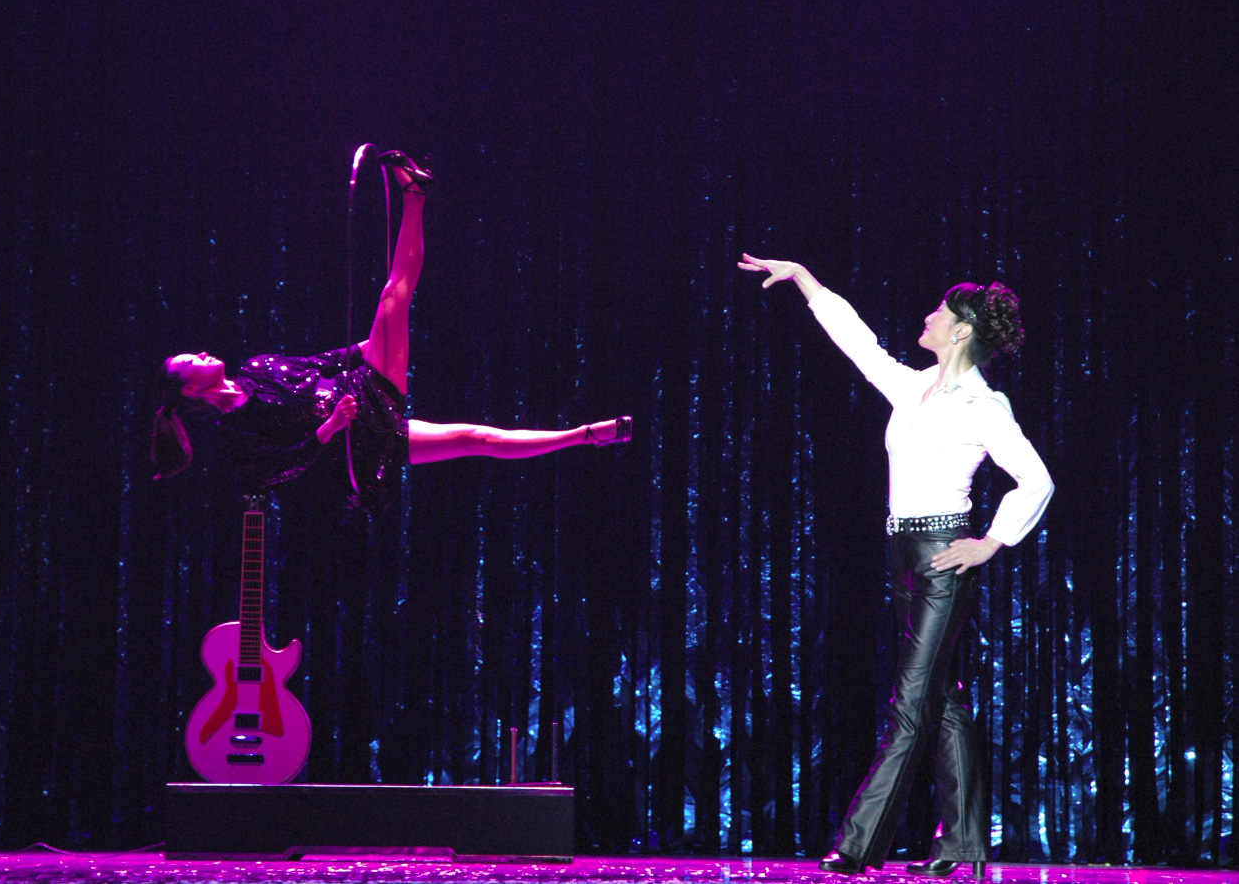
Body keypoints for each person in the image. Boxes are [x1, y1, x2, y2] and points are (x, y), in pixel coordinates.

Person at [738, 254, 1053, 877]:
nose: (928, 316)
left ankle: (858, 847)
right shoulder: (914, 387)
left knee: (909, 704)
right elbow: (858, 342)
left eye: (940, 311)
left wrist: (990, 542)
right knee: (942, 701)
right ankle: (963, 847)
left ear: (961, 330)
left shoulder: (983, 405)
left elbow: (1036, 479)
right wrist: (805, 279)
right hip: (904, 555)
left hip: (942, 557)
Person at [152, 151, 631, 507]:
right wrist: (329, 429)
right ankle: (584, 435)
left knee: (394, 296)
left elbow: (320, 362)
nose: (201, 354)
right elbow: (273, 474)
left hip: (364, 387)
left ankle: (415, 193)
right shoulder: (234, 430)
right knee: (476, 439)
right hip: (362, 438)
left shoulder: (257, 368)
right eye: (190, 362)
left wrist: (367, 345)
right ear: (189, 388)